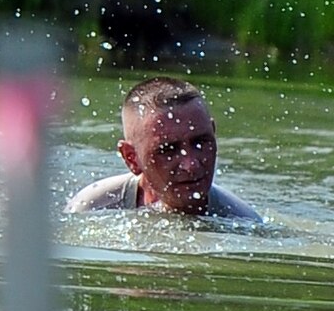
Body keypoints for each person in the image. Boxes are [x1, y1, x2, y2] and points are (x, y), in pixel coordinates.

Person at [65, 76, 261, 220]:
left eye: (201, 142)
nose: (191, 164)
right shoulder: (92, 209)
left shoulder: (242, 223)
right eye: (168, 150)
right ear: (131, 158)